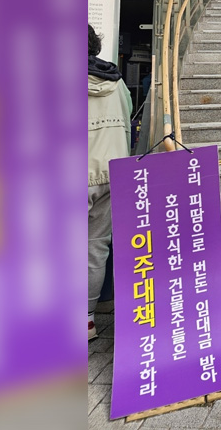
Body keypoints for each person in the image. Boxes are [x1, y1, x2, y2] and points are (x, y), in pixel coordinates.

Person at [88, 24, 132, 340]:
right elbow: (128, 123)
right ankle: (86, 320)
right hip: (112, 173)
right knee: (95, 248)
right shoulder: (118, 84)